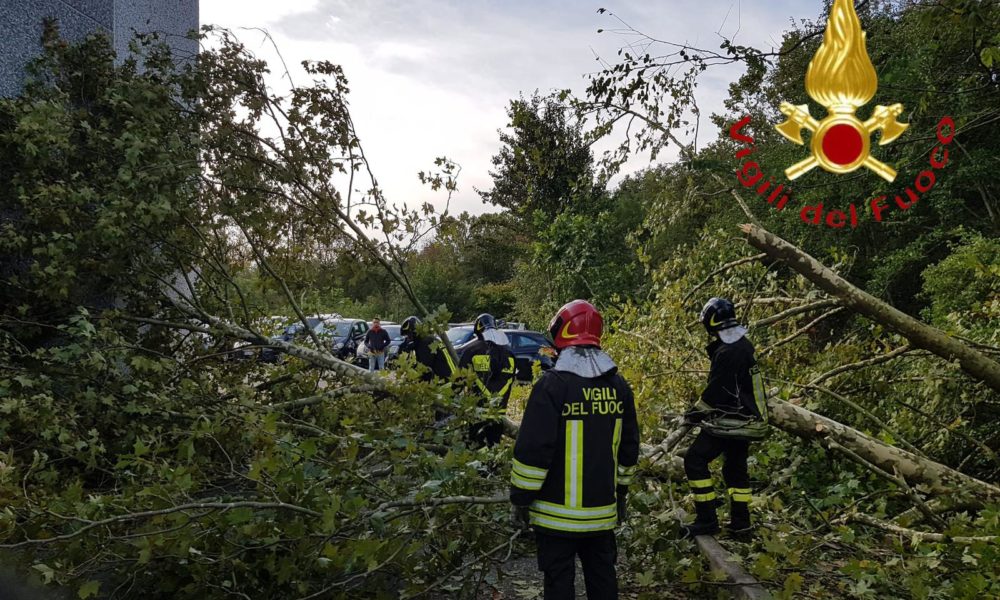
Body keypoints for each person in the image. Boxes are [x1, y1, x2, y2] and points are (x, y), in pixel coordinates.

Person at [510, 300, 640, 600]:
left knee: (559, 583)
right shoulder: (619, 387)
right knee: (603, 578)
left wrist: (520, 499)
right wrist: (622, 494)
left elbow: (533, 452)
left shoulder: (552, 386)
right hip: (601, 514)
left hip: (556, 519)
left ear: (562, 333)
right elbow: (629, 448)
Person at [681, 297, 768, 539]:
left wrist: (695, 412)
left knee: (694, 459)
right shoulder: (743, 345)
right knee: (735, 469)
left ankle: (707, 519)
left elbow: (716, 391)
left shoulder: (728, 352)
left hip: (732, 420)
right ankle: (742, 524)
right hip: (751, 419)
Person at [458, 313, 516, 447]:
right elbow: (510, 380)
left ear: (478, 330)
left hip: (477, 410)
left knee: (476, 447)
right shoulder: (509, 354)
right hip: (499, 412)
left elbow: (458, 379)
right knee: (493, 447)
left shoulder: (471, 350)